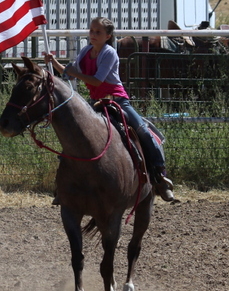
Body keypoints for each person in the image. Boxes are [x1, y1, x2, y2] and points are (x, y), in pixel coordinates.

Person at [44, 17, 176, 203]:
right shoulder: (85, 51)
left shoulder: (109, 53)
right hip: (96, 103)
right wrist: (55, 62)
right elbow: (70, 71)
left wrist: (71, 72)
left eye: (98, 32)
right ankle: (64, 185)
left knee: (142, 131)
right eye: (91, 31)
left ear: (108, 36)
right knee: (73, 136)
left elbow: (97, 80)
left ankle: (160, 176)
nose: (93, 35)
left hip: (118, 101)